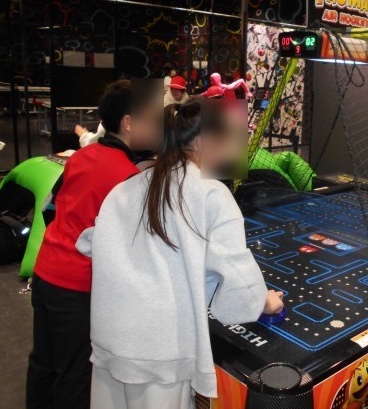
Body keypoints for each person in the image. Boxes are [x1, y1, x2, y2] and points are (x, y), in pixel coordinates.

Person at [77, 99, 284, 408]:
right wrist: (264, 301)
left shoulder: (130, 184)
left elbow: (89, 242)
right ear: (207, 141)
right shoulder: (212, 193)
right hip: (160, 355)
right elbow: (237, 287)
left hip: (110, 341)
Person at [26, 80, 161, 409]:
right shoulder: (128, 177)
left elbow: (48, 209)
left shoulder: (81, 157)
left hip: (46, 273)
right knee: (75, 375)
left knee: (44, 362)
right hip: (78, 288)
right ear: (128, 122)